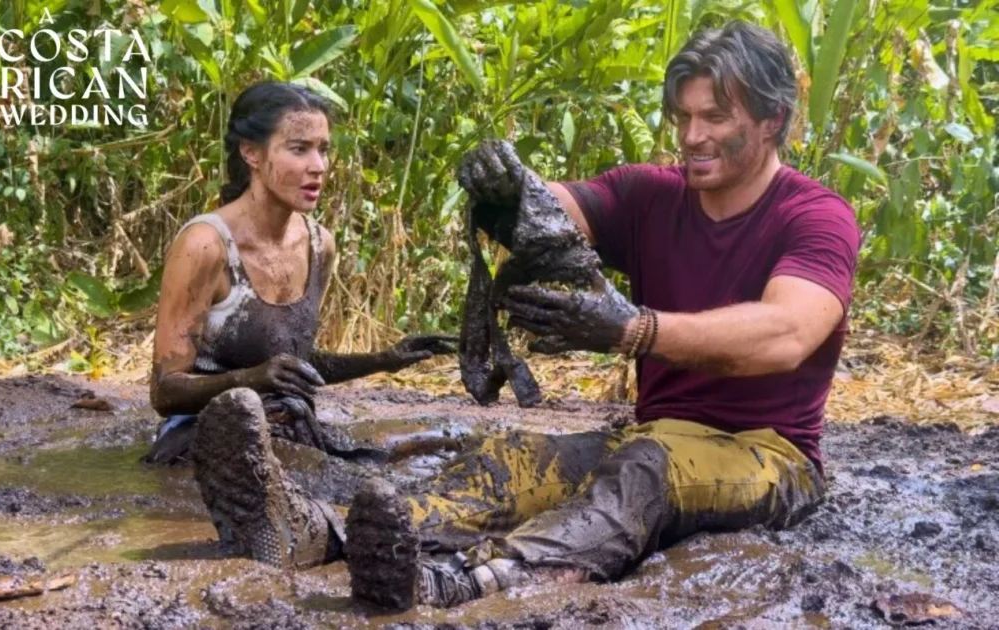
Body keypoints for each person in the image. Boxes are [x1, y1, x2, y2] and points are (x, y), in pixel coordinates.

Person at [337, 19, 861, 608]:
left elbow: (787, 333)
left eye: (715, 117)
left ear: (773, 119)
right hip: (655, 436)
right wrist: (512, 189)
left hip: (771, 455)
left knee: (645, 472)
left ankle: (476, 580)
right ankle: (330, 535)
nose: (693, 135)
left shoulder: (817, 217)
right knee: (508, 457)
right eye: (683, 117)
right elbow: (559, 209)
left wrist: (635, 329)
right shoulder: (651, 195)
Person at [144, 81, 455, 558]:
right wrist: (251, 380)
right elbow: (165, 392)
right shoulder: (205, 245)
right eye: (299, 149)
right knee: (367, 492)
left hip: (289, 426)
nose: (319, 167)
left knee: (425, 456)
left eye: (324, 150)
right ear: (251, 152)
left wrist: (386, 360)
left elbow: (293, 366)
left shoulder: (319, 243)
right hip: (206, 438)